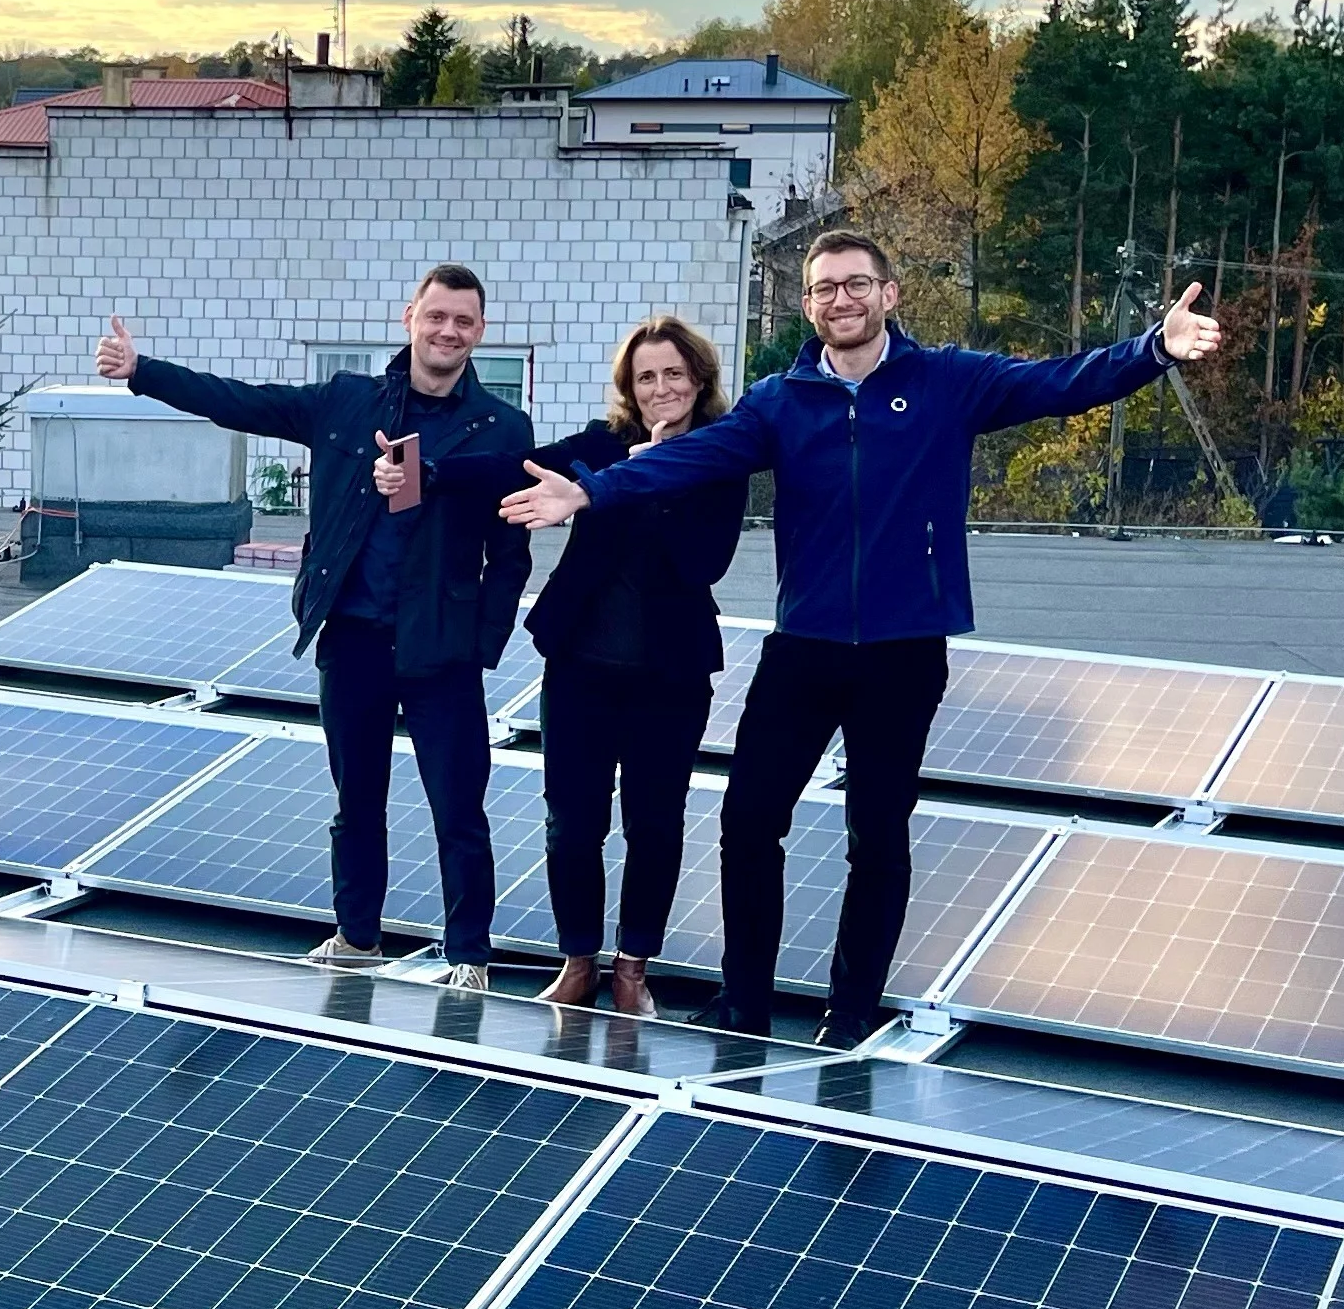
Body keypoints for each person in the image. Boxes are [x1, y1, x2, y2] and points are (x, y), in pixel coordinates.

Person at [486, 229, 1223, 1040]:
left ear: (889, 293)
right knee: (748, 822)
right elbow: (688, 460)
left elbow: (1059, 383)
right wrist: (592, 492)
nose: (841, 299)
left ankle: (852, 1009)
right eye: (825, 288)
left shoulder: (947, 381)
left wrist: (1156, 348)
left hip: (905, 651)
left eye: (855, 284)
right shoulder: (778, 401)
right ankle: (746, 1002)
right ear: (807, 304)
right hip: (804, 646)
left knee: (876, 832)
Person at [95, 268, 531, 987]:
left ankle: (469, 956)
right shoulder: (348, 403)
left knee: (459, 809)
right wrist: (143, 372)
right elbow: (241, 402)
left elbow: (509, 552)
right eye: (436, 317)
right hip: (354, 636)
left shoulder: (501, 428)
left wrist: (483, 645)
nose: (448, 331)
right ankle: (358, 938)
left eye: (463, 321)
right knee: (356, 801)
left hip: (441, 649)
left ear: (480, 332)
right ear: (409, 319)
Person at [393, 317, 743, 1019]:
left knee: (655, 824)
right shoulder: (599, 445)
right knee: (572, 824)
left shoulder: (721, 460)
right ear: (629, 388)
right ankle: (579, 961)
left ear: (698, 381)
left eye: (674, 374)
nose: (660, 387)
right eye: (646, 376)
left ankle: (634, 970)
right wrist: (424, 472)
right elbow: (510, 467)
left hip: (669, 678)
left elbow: (707, 563)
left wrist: (658, 470)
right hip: (581, 668)